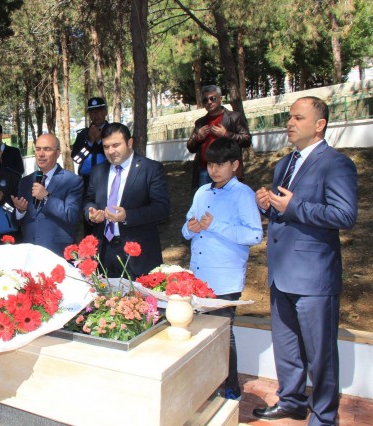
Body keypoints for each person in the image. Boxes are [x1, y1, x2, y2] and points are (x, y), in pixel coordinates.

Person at [253, 97, 357, 424]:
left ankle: (325, 416)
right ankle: (292, 401)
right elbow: (284, 209)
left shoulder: (336, 163)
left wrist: (293, 206)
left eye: (298, 117)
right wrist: (267, 205)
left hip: (314, 277)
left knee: (320, 354)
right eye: (289, 117)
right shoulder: (284, 164)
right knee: (286, 348)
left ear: (319, 124)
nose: (290, 122)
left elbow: (345, 214)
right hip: (281, 273)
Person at [181, 137, 263, 401]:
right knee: (199, 332)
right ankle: (203, 384)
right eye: (211, 164)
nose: (214, 170)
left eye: (220, 164)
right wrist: (190, 229)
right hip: (198, 277)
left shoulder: (243, 194)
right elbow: (186, 229)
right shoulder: (201, 192)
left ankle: (231, 387)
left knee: (223, 336)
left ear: (235, 165)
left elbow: (254, 235)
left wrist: (215, 226)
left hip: (225, 279)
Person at [84, 122, 170, 279]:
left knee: (140, 303)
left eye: (116, 145)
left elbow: (162, 208)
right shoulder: (97, 171)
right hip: (104, 253)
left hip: (138, 254)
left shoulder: (150, 169)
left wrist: (127, 216)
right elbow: (89, 200)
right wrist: (91, 212)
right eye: (106, 147)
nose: (111, 151)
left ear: (130, 143)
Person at [11, 133, 83, 256]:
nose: (41, 154)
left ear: (57, 153)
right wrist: (20, 211)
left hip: (57, 252)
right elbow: (17, 223)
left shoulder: (73, 181)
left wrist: (46, 197)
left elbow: (71, 216)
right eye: (38, 149)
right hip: (30, 251)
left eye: (47, 149)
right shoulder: (25, 181)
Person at [186, 85, 251, 189]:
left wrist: (226, 134)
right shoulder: (200, 122)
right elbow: (190, 147)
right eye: (205, 100)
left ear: (220, 98)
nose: (209, 102)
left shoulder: (234, 118)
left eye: (213, 98)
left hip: (227, 171)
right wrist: (198, 137)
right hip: (205, 170)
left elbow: (246, 140)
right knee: (206, 203)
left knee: (228, 202)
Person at [72, 96, 108, 191]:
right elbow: (76, 159)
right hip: (86, 182)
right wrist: (90, 143)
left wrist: (100, 140)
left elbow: (115, 155)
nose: (96, 115)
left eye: (99, 111)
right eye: (92, 112)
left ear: (105, 112)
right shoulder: (83, 135)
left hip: (107, 179)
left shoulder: (113, 131)